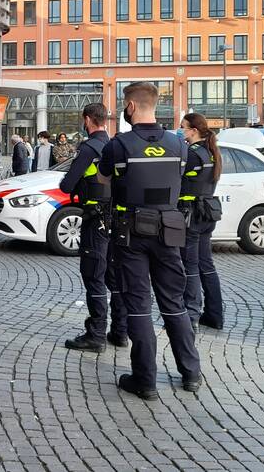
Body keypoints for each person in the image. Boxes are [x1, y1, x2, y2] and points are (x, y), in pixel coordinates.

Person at [98, 82, 202, 400]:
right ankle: (191, 373)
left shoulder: (119, 145)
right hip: (169, 231)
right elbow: (187, 179)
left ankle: (145, 380)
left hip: (131, 234)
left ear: (130, 106)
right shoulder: (179, 145)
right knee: (174, 304)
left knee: (139, 307)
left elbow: (103, 179)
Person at [59, 103, 127, 353]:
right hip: (116, 219)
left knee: (94, 276)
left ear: (87, 120)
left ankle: (96, 334)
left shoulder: (89, 148)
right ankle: (120, 331)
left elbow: (67, 185)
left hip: (95, 219)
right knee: (114, 276)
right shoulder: (116, 147)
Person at [178, 113, 225, 331]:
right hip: (207, 213)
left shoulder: (192, 154)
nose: (181, 131)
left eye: (183, 128)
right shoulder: (212, 152)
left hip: (191, 215)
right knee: (206, 264)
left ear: (194, 130)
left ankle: (191, 314)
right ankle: (215, 315)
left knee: (190, 265)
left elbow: (177, 179)